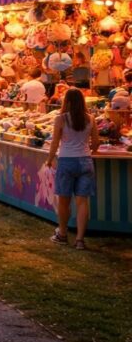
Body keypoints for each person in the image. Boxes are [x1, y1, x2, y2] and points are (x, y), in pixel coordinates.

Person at [46, 88, 100, 250]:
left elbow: (55, 142)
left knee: (64, 201)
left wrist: (49, 159)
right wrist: (89, 150)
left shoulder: (61, 119)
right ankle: (80, 240)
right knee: (82, 202)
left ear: (66, 101)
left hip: (66, 160)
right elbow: (95, 143)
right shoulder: (90, 118)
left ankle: (62, 234)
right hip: (85, 162)